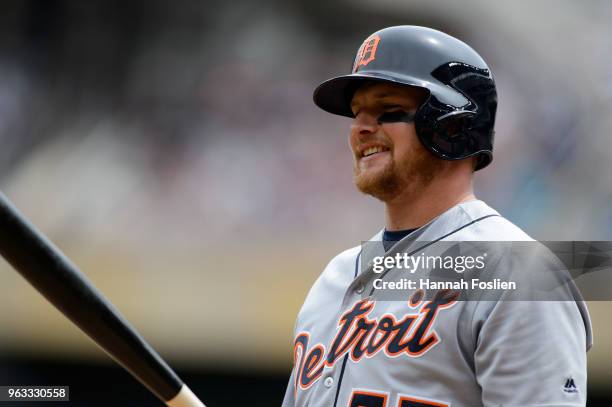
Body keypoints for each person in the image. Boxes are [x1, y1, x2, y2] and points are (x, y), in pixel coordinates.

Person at [282, 26, 591, 407]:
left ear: (450, 125)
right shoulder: (334, 280)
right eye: (357, 113)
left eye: (388, 111)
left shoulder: (515, 274)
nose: (360, 128)